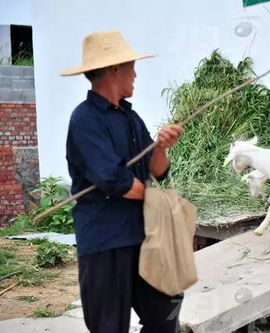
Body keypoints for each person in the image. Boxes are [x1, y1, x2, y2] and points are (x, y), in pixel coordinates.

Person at [63, 30, 184, 332]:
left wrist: (160, 146)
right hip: (105, 242)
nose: (136, 74)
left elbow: (158, 171)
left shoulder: (131, 118)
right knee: (109, 327)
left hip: (141, 238)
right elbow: (116, 181)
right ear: (114, 69)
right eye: (131, 66)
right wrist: (158, 201)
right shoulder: (85, 119)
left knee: (165, 315)